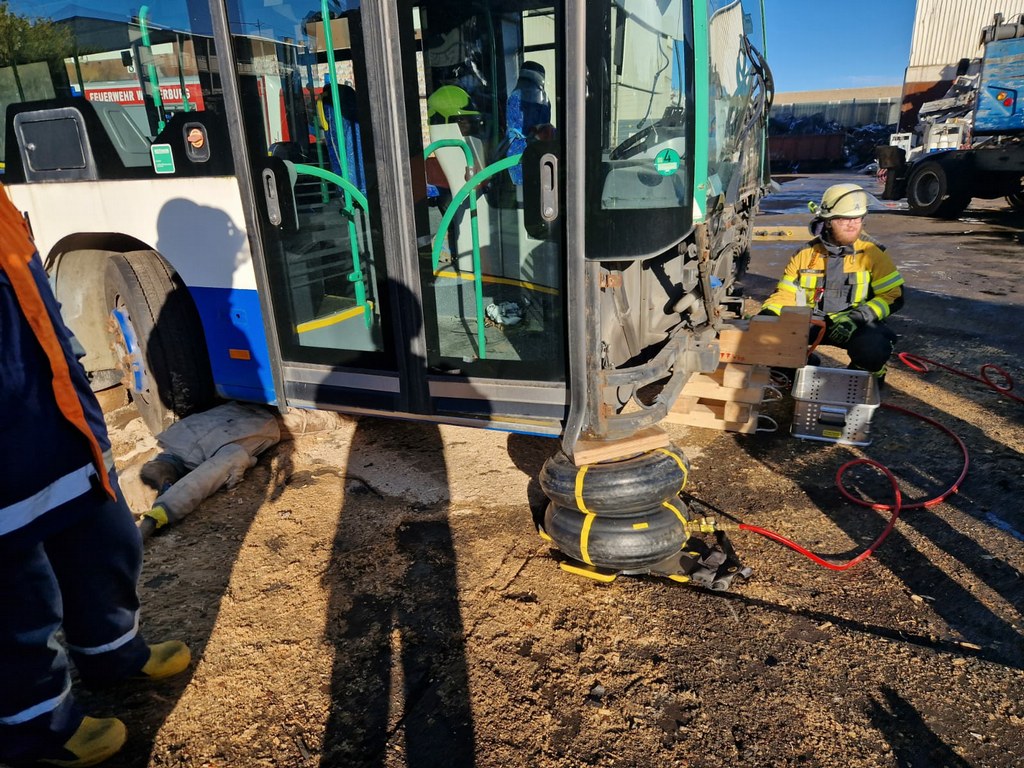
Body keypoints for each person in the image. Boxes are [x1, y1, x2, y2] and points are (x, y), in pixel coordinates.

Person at [0, 184, 190, 767]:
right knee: (12, 580)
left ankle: (112, 652)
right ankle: (33, 725)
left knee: (98, 533)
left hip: (50, 403)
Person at [758, 183, 905, 382]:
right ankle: (802, 366)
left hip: (855, 323)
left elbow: (893, 296)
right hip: (813, 321)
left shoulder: (873, 254)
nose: (852, 224)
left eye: (857, 218)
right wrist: (768, 315)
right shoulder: (805, 254)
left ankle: (864, 377)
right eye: (844, 218)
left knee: (874, 347)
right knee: (769, 339)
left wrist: (858, 318)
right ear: (827, 221)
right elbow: (786, 294)